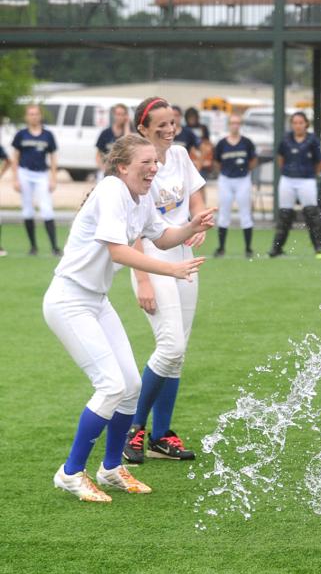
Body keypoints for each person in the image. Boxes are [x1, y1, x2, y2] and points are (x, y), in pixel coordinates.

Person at [45, 134, 214, 501]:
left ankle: (110, 469)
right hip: (69, 300)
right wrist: (169, 272)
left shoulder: (142, 195)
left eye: (156, 162)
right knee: (110, 386)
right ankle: (70, 473)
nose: (155, 168)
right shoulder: (111, 190)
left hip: (96, 300)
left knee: (131, 388)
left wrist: (192, 226)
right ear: (122, 167)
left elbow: (164, 237)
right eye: (146, 163)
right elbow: (119, 252)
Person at [122, 97, 209, 464]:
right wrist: (142, 278)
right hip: (152, 260)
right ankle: (134, 429)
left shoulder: (180, 155)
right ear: (142, 128)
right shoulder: (134, 166)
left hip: (183, 258)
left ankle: (161, 436)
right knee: (170, 346)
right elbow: (131, 231)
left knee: (178, 354)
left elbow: (196, 194)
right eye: (161, 124)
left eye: (172, 122)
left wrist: (199, 219)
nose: (170, 129)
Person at [269, 112, 321, 258]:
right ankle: (276, 248)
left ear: (306, 124)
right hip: (288, 179)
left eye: (301, 122)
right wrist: (288, 172)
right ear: (292, 124)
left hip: (307, 179)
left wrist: (310, 174)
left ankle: (319, 247)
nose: (298, 125)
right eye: (295, 122)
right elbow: (280, 159)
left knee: (311, 213)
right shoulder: (286, 139)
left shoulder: (313, 140)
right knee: (284, 214)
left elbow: (319, 162)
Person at [11, 104, 61, 256]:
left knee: (46, 209)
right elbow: (15, 157)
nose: (34, 116)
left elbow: (53, 157)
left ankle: (54, 247)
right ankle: (33, 247)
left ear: (40, 115)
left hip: (41, 175)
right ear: (27, 117)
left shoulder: (48, 135)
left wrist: (53, 178)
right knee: (27, 210)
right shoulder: (21, 134)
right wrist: (15, 179)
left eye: (36, 114)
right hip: (24, 173)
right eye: (31, 114)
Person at [213, 113, 258, 258]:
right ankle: (221, 248)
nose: (235, 125)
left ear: (241, 125)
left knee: (245, 214)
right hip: (226, 179)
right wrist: (224, 173)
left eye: (237, 123)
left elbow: (253, 161)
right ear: (229, 125)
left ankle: (248, 248)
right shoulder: (222, 143)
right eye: (232, 123)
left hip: (243, 179)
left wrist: (245, 172)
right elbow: (216, 162)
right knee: (224, 213)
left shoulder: (247, 142)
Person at [95, 103, 131, 181]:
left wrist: (127, 124)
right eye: (117, 114)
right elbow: (98, 155)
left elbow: (127, 143)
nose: (119, 117)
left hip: (122, 171)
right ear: (114, 115)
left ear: (126, 116)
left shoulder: (127, 132)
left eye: (122, 114)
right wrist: (102, 168)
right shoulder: (105, 133)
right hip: (106, 169)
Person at [184, 107, 214, 179]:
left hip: (203, 156)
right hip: (190, 157)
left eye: (193, 117)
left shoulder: (203, 128)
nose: (192, 120)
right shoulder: (185, 129)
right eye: (190, 118)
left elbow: (207, 142)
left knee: (201, 182)